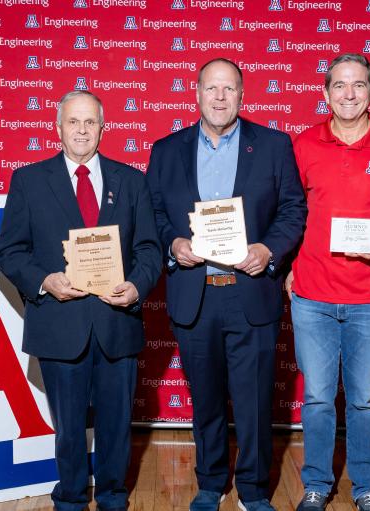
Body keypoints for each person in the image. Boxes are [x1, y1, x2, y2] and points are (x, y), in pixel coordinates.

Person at [145, 58, 307, 511]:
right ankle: (210, 483)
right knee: (207, 399)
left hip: (250, 292)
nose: (219, 98)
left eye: (229, 89)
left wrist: (269, 250)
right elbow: (152, 213)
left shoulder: (274, 146)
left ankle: (253, 491)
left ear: (242, 94)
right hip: (195, 293)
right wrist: (173, 242)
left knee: (255, 401)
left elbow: (293, 209)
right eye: (211, 89)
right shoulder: (166, 150)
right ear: (196, 93)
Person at [0, 90, 161, 511]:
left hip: (115, 323)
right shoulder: (28, 181)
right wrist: (45, 280)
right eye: (74, 122)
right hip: (60, 324)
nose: (82, 131)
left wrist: (137, 286)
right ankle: (68, 498)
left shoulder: (132, 181)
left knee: (116, 425)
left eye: (90, 123)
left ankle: (112, 496)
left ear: (103, 128)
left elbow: (149, 250)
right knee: (68, 427)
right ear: (58, 127)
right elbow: (8, 251)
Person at [286, 54, 370, 511]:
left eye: (358, 85)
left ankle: (365, 487)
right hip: (312, 295)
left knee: (364, 399)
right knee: (319, 398)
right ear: (325, 93)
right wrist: (287, 265)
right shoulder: (303, 145)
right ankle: (317, 485)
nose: (348, 94)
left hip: (369, 297)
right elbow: (291, 212)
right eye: (338, 86)